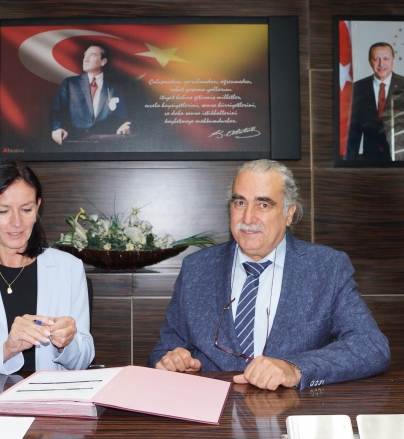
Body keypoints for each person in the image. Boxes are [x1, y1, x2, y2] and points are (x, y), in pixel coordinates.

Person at [148, 159, 390, 390]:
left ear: (289, 213)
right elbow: (162, 353)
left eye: (263, 205)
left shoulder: (327, 268)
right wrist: (173, 363)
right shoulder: (196, 269)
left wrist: (294, 368)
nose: (248, 218)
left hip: (291, 412)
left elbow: (371, 346)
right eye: (240, 203)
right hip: (212, 413)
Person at [0, 160, 94, 374]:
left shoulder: (69, 268)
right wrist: (7, 349)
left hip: (49, 393)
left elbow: (84, 358)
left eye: (26, 209)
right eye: (3, 211)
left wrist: (66, 344)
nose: (17, 222)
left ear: (37, 207)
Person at [345, 42, 404, 161]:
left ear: (393, 60)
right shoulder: (358, 88)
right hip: (371, 159)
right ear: (370, 61)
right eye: (376, 59)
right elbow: (353, 129)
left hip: (402, 157)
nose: (381, 64)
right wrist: (350, 161)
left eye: (386, 58)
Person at [51, 44, 131, 145]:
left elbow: (124, 116)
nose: (86, 59)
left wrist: (125, 126)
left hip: (106, 143)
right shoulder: (70, 83)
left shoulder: (115, 86)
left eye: (92, 55)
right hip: (75, 142)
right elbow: (57, 112)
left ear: (103, 61)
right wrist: (57, 128)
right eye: (85, 55)